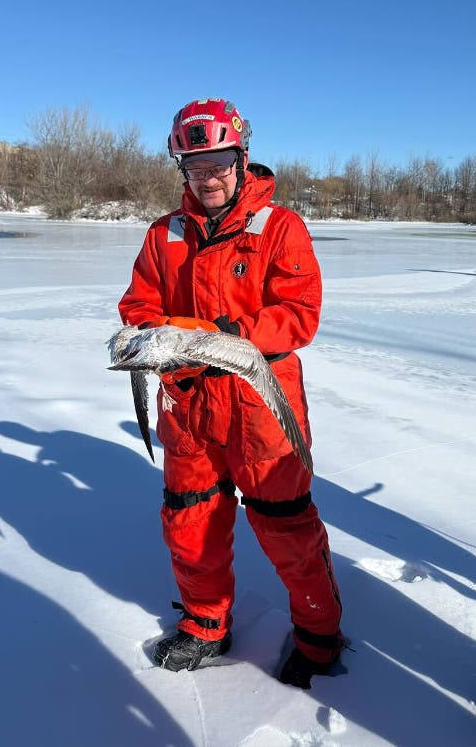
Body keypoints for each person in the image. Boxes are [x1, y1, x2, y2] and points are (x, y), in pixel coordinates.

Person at [118, 97, 345, 690]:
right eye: (195, 166)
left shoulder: (280, 227)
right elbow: (141, 302)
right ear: (182, 170)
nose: (209, 177)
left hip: (259, 405)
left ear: (242, 159)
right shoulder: (163, 234)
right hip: (186, 404)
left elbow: (299, 315)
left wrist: (221, 336)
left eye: (220, 162)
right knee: (189, 520)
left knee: (285, 525)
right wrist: (144, 336)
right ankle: (205, 625)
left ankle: (319, 635)